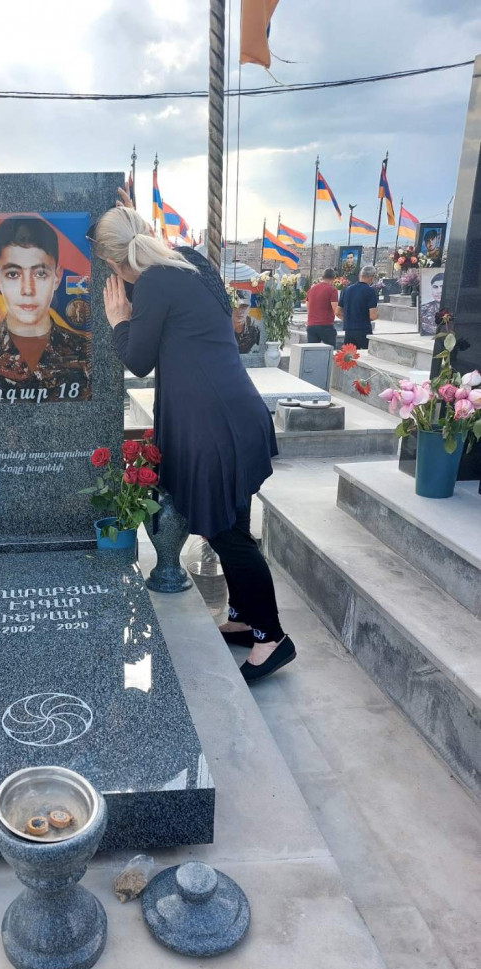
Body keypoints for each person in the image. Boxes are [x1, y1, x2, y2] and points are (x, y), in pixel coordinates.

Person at [93, 206, 295, 684]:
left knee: (226, 534)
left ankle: (272, 637)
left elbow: (139, 360)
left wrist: (119, 319)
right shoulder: (190, 261)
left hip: (212, 428)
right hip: (235, 414)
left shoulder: (154, 282)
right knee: (234, 522)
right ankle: (244, 617)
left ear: (115, 265)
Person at [0, 216, 91, 402]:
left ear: (57, 277)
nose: (27, 289)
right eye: (13, 274)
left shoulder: (84, 350)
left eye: (40, 273)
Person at [336, 264, 379, 351]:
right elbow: (373, 316)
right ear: (372, 277)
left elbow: (337, 312)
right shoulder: (370, 291)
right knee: (367, 355)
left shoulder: (347, 289)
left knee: (349, 356)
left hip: (349, 330)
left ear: (360, 275)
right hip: (363, 330)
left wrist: (348, 319)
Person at [306, 268, 340, 346]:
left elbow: (308, 307)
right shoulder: (332, 290)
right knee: (330, 350)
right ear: (333, 278)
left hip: (311, 325)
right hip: (326, 325)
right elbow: (335, 309)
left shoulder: (312, 289)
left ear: (323, 277)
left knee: (312, 350)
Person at [420, 271, 444, 336]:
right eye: (435, 287)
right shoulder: (424, 309)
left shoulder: (456, 308)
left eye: (442, 287)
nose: (439, 291)